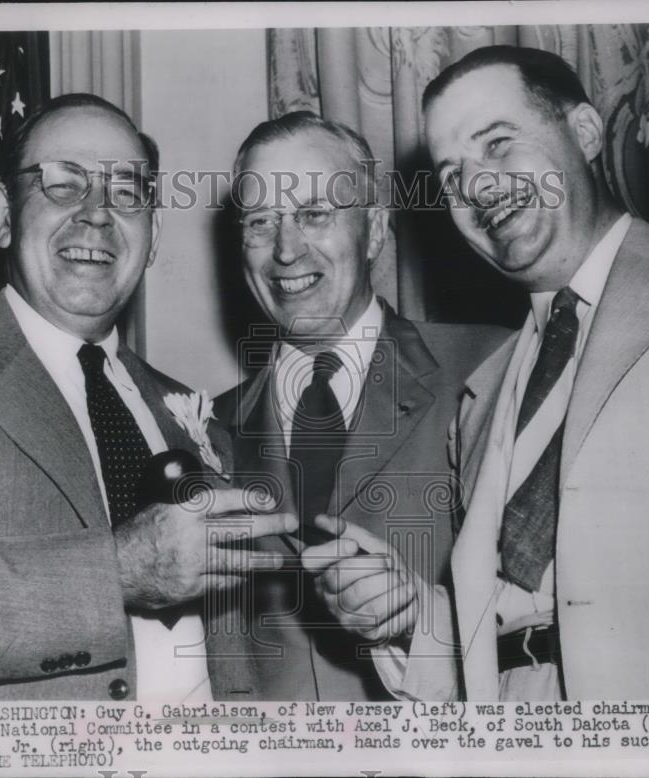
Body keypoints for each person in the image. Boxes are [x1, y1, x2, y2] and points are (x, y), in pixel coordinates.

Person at [302, 47, 649, 754]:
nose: (478, 185)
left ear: (587, 132)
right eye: (451, 173)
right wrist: (415, 616)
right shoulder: (483, 395)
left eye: (498, 143)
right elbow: (524, 627)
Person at [0, 93, 295, 768]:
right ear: (3, 214)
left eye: (126, 190)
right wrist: (121, 570)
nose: (97, 213)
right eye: (62, 183)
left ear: (153, 236)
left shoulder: (190, 413)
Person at [214, 111, 510, 700]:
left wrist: (424, 622)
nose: (286, 250)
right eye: (260, 222)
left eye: (315, 215)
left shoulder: (495, 364)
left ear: (374, 230)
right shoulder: (203, 427)